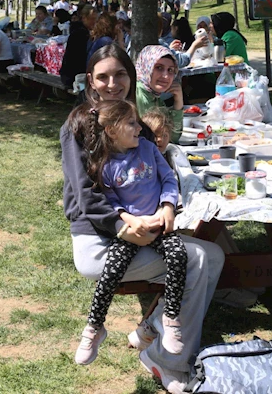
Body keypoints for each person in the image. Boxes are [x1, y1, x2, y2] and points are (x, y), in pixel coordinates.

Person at [61, 44, 224, 394]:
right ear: (90, 80)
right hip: (99, 238)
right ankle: (169, 363)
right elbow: (86, 193)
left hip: (146, 229)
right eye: (103, 76)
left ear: (132, 77)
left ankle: (155, 327)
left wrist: (167, 208)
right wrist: (122, 226)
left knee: (214, 255)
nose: (112, 83)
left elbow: (161, 174)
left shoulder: (138, 127)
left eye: (120, 74)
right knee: (198, 259)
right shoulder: (78, 125)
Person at [74, 100, 187, 365]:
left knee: (179, 256)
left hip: (159, 223)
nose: (140, 128)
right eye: (132, 123)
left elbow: (168, 178)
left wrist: (168, 206)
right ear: (112, 131)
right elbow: (110, 199)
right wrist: (128, 221)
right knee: (110, 272)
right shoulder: (104, 163)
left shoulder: (148, 148)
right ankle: (94, 327)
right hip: (132, 229)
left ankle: (170, 318)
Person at [136, 45, 184, 144]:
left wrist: (178, 100)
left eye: (170, 70)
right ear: (146, 67)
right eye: (159, 68)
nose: (166, 76)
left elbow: (172, 137)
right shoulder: (137, 96)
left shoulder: (155, 97)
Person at [60, 4, 97, 88]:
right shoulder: (79, 33)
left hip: (70, 74)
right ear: (84, 18)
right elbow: (81, 58)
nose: (94, 22)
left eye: (95, 19)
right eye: (92, 19)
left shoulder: (82, 31)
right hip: (73, 76)